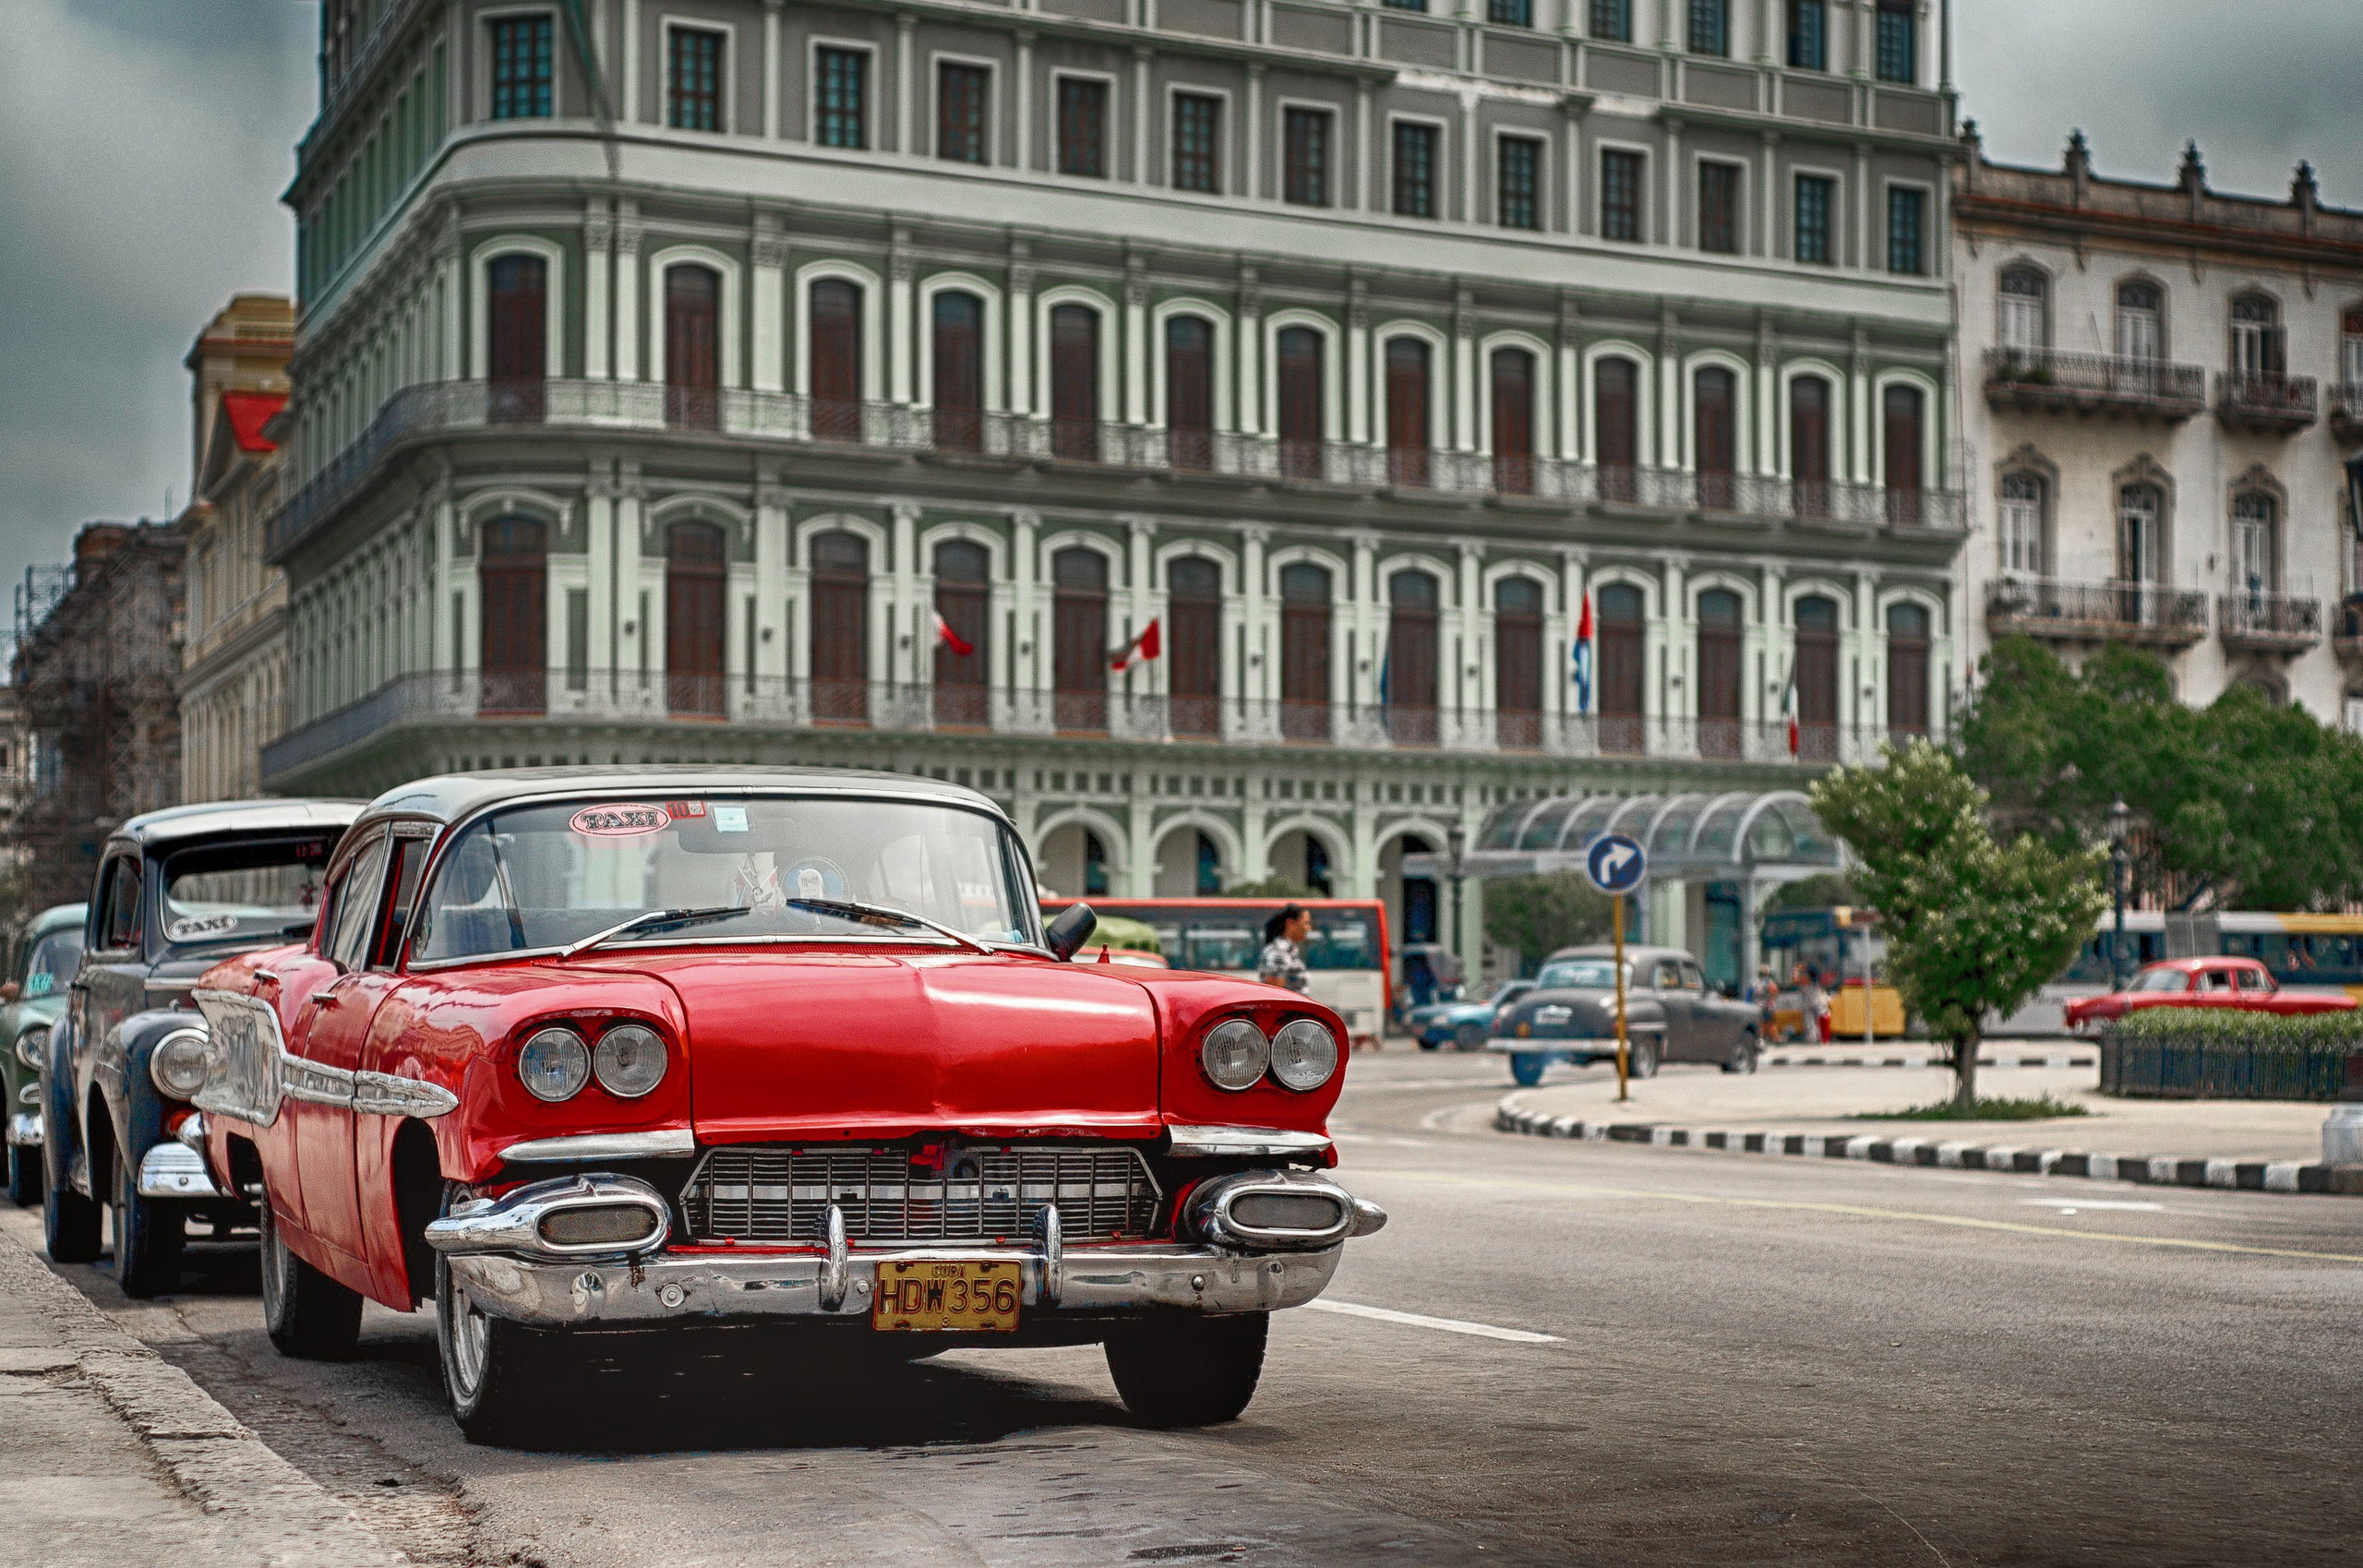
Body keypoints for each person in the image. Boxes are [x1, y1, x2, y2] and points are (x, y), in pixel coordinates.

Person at [1259, 904, 1312, 994]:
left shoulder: (1289, 950)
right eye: (1306, 923)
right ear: (1290, 923)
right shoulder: (1280, 952)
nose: (1308, 928)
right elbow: (1275, 994)